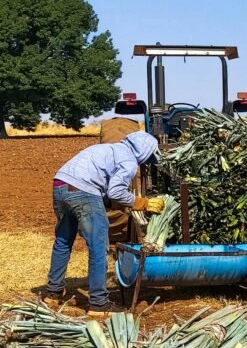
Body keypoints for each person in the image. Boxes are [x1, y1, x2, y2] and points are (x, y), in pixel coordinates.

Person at [42, 131, 164, 311]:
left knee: (63, 240)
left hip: (60, 185)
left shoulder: (107, 148)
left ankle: (53, 293)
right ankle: (98, 303)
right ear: (144, 152)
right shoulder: (129, 161)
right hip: (84, 191)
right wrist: (143, 203)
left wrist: (119, 204)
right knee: (98, 247)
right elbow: (115, 192)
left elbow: (107, 190)